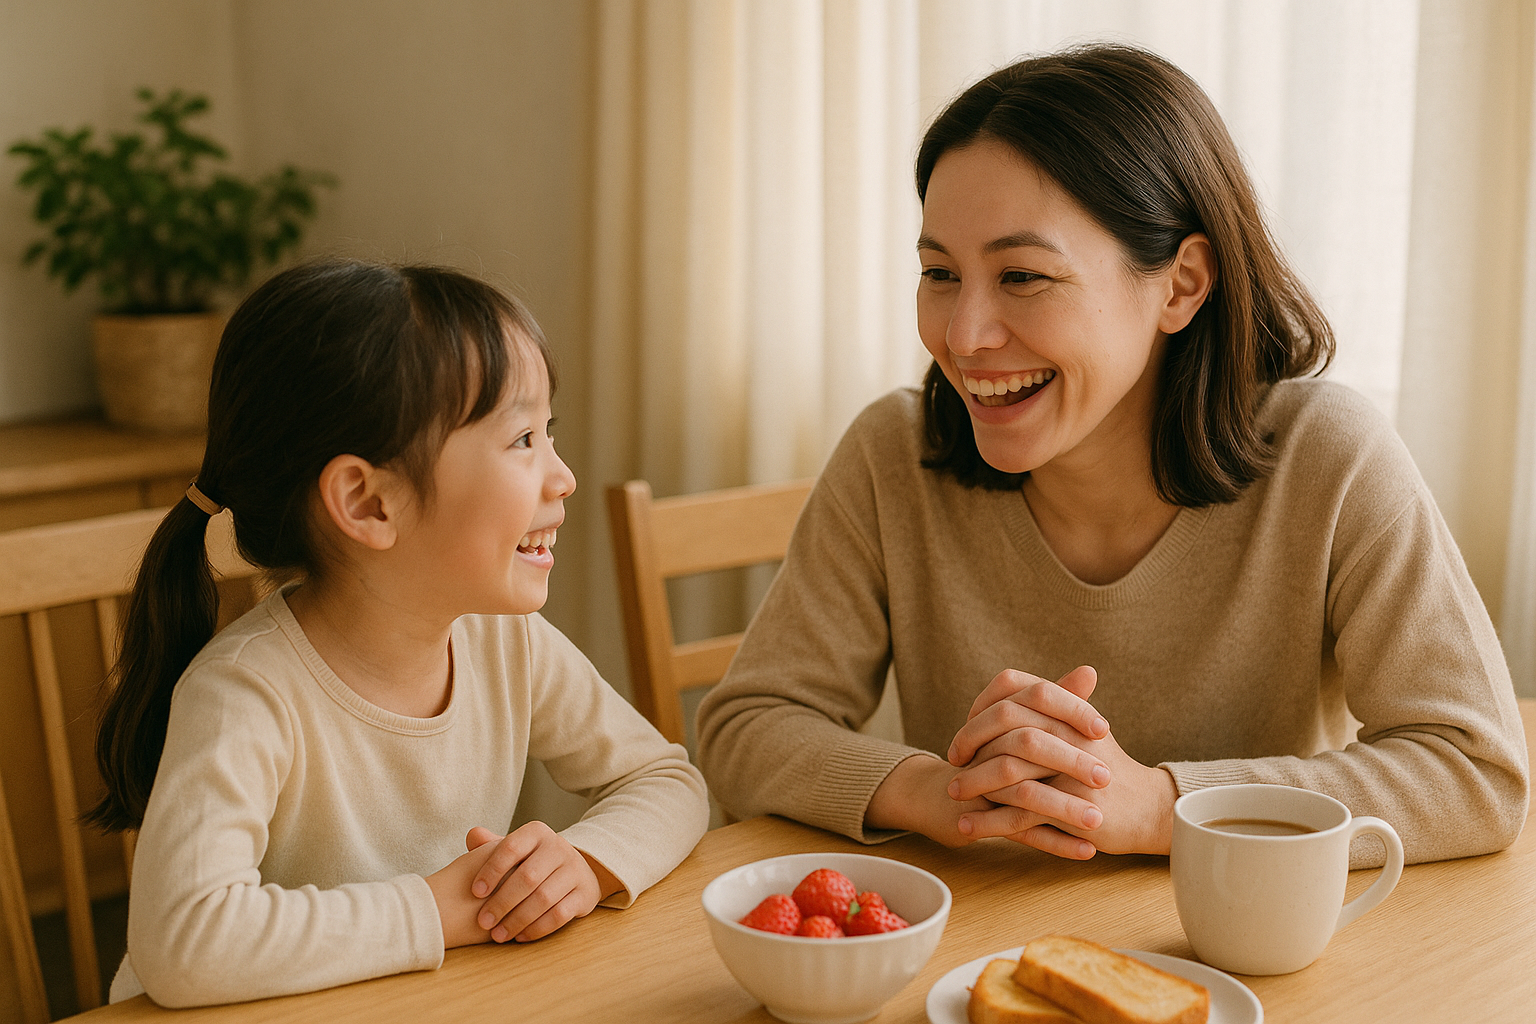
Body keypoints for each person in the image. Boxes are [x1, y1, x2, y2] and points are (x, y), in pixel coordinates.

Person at [697, 44, 1528, 867]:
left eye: (1022, 276)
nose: (962, 336)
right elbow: (746, 728)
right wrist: (933, 790)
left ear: (1180, 284)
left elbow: (1474, 771)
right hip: (972, 961)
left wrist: (1167, 806)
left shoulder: (1329, 458)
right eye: (939, 272)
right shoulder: (892, 454)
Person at [88, 260, 710, 1007]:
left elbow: (667, 779)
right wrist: (436, 909)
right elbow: (184, 943)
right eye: (521, 440)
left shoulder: (507, 644)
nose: (562, 476)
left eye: (550, 433)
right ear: (368, 502)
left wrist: (586, 860)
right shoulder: (246, 691)